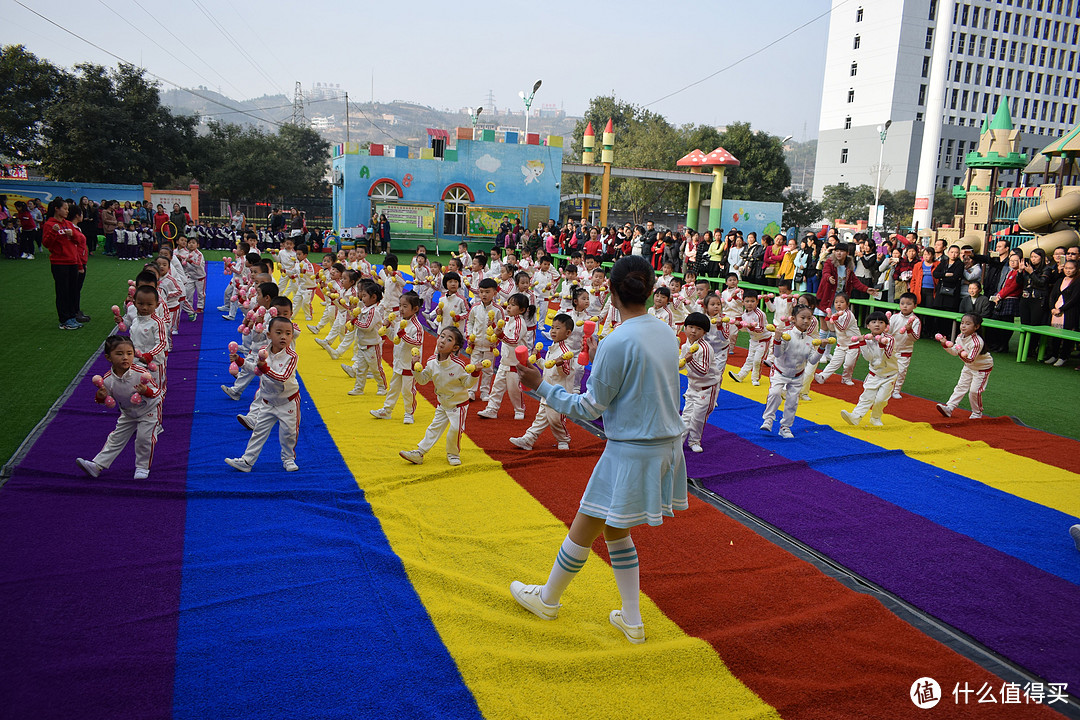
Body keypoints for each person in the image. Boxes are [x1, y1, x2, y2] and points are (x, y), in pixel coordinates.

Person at [510, 255, 687, 645]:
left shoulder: (617, 340)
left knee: (588, 521)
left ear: (610, 292)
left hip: (632, 449)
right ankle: (631, 617)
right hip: (665, 445)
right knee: (613, 528)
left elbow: (590, 408)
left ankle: (549, 599)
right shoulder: (665, 332)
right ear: (650, 287)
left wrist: (541, 385)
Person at [76, 336, 163, 480]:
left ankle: (142, 467)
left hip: (149, 410)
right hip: (128, 413)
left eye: (129, 353)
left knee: (144, 438)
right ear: (108, 357)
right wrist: (101, 396)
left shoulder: (141, 372)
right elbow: (105, 402)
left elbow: (157, 393)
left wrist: (145, 391)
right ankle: (97, 465)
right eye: (119, 353)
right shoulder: (108, 379)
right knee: (115, 438)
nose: (125, 357)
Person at [226, 317, 301, 472]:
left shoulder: (292, 356)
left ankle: (288, 459)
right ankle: (247, 461)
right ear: (268, 335)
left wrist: (264, 368)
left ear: (292, 337)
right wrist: (240, 361)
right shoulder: (264, 352)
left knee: (288, 433)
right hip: (267, 402)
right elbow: (256, 370)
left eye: (288, 334)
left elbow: (283, 378)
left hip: (288, 401)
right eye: (278, 332)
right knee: (258, 432)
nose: (283, 337)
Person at [399, 327, 480, 467]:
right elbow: (422, 380)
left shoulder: (459, 365)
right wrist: (414, 366)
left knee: (455, 430)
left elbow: (467, 384)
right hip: (442, 403)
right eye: (442, 336)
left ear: (455, 347)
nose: (443, 341)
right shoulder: (431, 362)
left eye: (449, 339)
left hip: (458, 406)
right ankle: (419, 452)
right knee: (433, 428)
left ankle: (453, 453)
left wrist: (474, 374)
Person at [510, 314, 578, 452]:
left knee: (556, 419)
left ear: (568, 333)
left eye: (557, 328)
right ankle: (529, 439)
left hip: (559, 394)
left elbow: (565, 373)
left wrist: (560, 364)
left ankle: (563, 439)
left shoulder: (566, 352)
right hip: (546, 391)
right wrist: (539, 358)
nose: (553, 331)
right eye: (552, 327)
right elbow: (546, 366)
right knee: (540, 418)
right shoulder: (553, 348)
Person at [761, 305, 820, 438]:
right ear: (793, 319)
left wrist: (821, 348)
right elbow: (777, 354)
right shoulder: (786, 335)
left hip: (797, 376)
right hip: (779, 372)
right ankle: (768, 419)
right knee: (775, 393)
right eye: (802, 317)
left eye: (809, 318)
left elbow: (812, 360)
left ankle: (785, 427)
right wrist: (777, 339)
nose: (806, 321)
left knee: (792, 401)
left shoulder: (810, 340)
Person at [369, 291, 424, 424]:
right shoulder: (400, 322)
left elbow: (417, 342)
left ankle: (409, 413)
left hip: (409, 365)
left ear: (415, 309)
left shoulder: (417, 326)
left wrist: (403, 334)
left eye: (405, 306)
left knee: (407, 391)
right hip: (398, 362)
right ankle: (387, 410)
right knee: (393, 388)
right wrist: (387, 327)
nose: (401, 309)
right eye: (400, 305)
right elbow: (394, 338)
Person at [477, 292, 530, 420]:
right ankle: (492, 409)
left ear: (522, 310)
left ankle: (519, 409)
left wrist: (500, 336)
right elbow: (504, 336)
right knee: (496, 387)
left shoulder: (519, 323)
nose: (509, 307)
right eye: (509, 304)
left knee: (514, 389)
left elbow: (514, 341)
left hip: (515, 363)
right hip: (505, 361)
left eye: (513, 305)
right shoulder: (509, 320)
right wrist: (495, 327)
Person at [839, 312, 897, 427]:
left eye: (881, 322)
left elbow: (886, 357)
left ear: (886, 326)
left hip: (889, 375)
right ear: (868, 325)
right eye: (873, 322)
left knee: (881, 400)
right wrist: (862, 342)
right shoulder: (867, 338)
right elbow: (868, 357)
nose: (877, 325)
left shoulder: (889, 339)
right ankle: (855, 416)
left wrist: (881, 345)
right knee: (866, 396)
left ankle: (875, 417)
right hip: (874, 373)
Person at [935, 314, 993, 420]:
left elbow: (970, 359)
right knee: (961, 386)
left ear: (976, 327)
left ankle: (977, 412)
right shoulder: (960, 337)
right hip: (969, 366)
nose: (963, 326)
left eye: (968, 324)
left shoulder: (977, 342)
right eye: (962, 323)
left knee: (975, 391)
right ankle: (950, 407)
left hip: (982, 368)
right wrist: (944, 344)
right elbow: (954, 352)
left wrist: (960, 351)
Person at [680, 312, 722, 454]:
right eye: (690, 327)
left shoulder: (705, 348)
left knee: (698, 417)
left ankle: (694, 441)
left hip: (707, 388)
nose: (693, 331)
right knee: (686, 415)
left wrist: (688, 361)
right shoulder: (687, 346)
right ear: (685, 328)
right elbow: (682, 363)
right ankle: (679, 441)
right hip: (693, 386)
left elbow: (703, 371)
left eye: (698, 329)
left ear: (704, 332)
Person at [42, 198, 85, 330]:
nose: (67, 211)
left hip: (72, 261)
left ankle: (72, 317)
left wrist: (72, 234)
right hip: (59, 263)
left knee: (72, 290)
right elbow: (47, 243)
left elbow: (80, 240)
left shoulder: (68, 224)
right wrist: (54, 232)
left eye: (67, 209)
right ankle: (64, 320)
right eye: (65, 208)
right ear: (56, 209)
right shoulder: (50, 225)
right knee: (63, 291)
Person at [815, 293, 860, 386]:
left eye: (842, 302)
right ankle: (822, 376)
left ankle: (846, 378)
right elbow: (831, 329)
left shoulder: (848, 314)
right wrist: (828, 318)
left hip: (853, 344)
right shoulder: (836, 314)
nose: (838, 304)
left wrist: (834, 319)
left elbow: (842, 328)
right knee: (834, 362)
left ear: (847, 304)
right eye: (836, 302)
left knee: (849, 364)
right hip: (841, 344)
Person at [727, 290, 770, 386]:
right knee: (750, 358)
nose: (749, 304)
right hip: (754, 339)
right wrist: (739, 325)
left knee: (757, 360)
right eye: (747, 301)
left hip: (763, 339)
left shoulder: (760, 314)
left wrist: (751, 327)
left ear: (757, 302)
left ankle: (755, 378)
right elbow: (744, 329)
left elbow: (761, 329)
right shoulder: (744, 314)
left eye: (752, 301)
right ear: (743, 302)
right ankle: (741, 376)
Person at [1045, 259, 1079, 367]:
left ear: (1076, 269)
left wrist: (1061, 309)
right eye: (1066, 268)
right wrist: (1052, 308)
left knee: (1066, 335)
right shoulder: (1060, 280)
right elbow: (1053, 295)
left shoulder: (1077, 282)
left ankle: (1063, 356)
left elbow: (1074, 299)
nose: (1068, 271)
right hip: (1055, 312)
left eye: (1071, 268)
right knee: (1055, 334)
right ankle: (1053, 354)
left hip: (1068, 312)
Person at [889, 293, 921, 398]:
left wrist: (909, 329)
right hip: (892, 349)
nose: (905, 306)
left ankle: (896, 390)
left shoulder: (916, 321)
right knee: (888, 369)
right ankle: (886, 388)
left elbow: (915, 338)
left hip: (905, 351)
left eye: (908, 304)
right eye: (902, 303)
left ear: (915, 306)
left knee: (901, 371)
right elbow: (888, 332)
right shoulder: (894, 317)